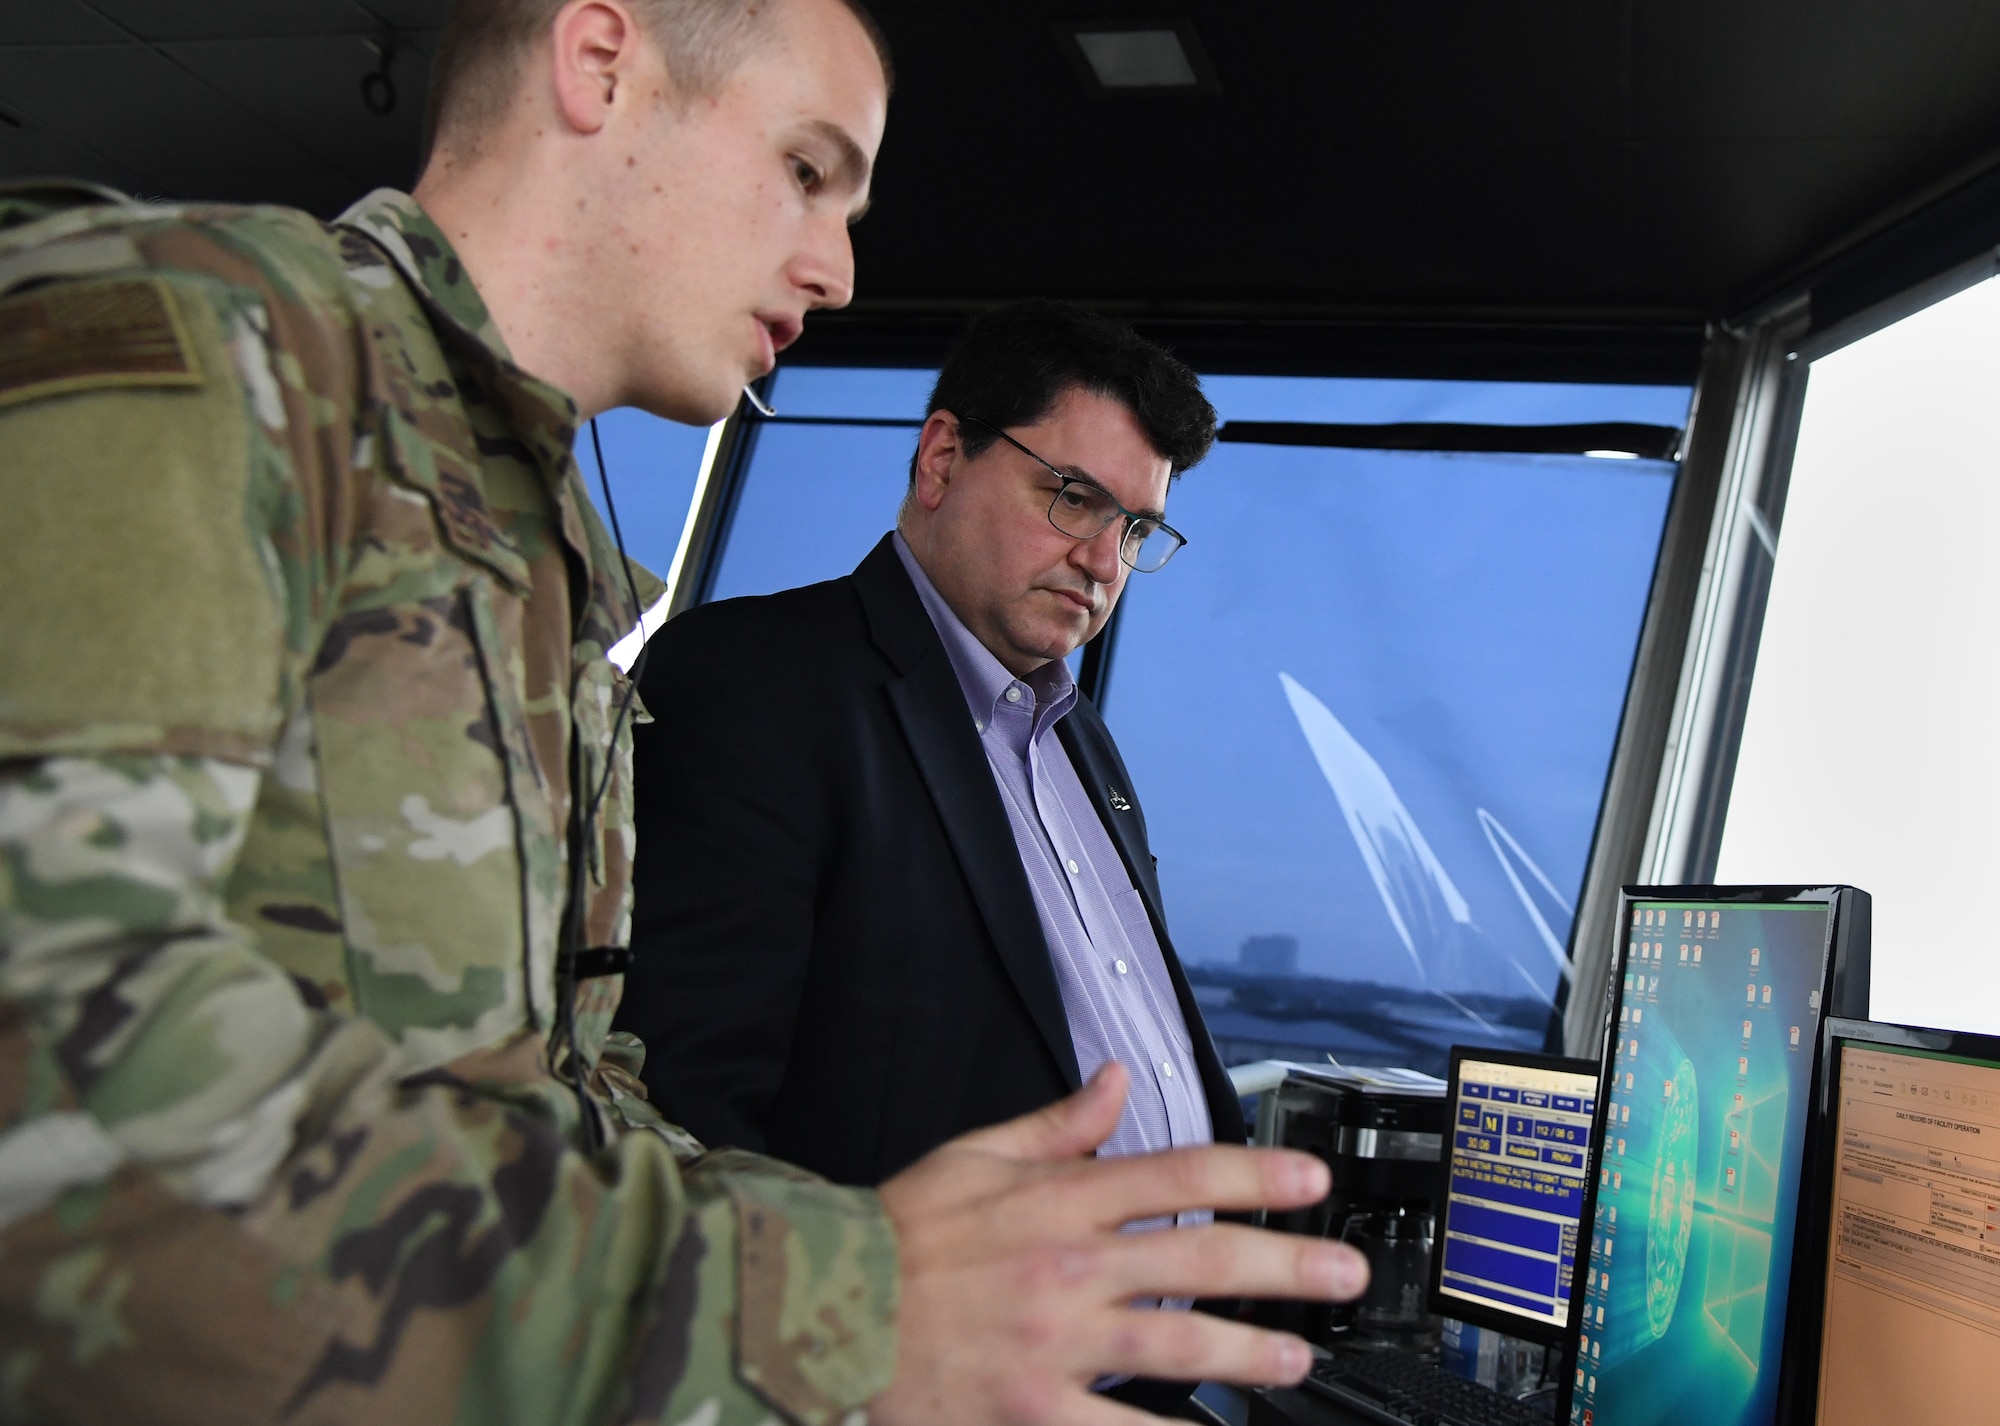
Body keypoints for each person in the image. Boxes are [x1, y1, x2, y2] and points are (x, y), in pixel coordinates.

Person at [0, 1, 1367, 1422]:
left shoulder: (539, 571)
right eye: (807, 170)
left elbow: (565, 1106)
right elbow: (45, 1072)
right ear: (600, 66)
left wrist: (925, 1281)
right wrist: (847, 1302)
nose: (839, 269)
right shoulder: (204, 332)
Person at [620, 302, 1237, 1198]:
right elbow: (684, 1104)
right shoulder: (754, 678)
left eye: (1136, 529)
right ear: (943, 459)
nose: (1105, 564)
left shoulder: (1087, 744)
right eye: (1075, 498)